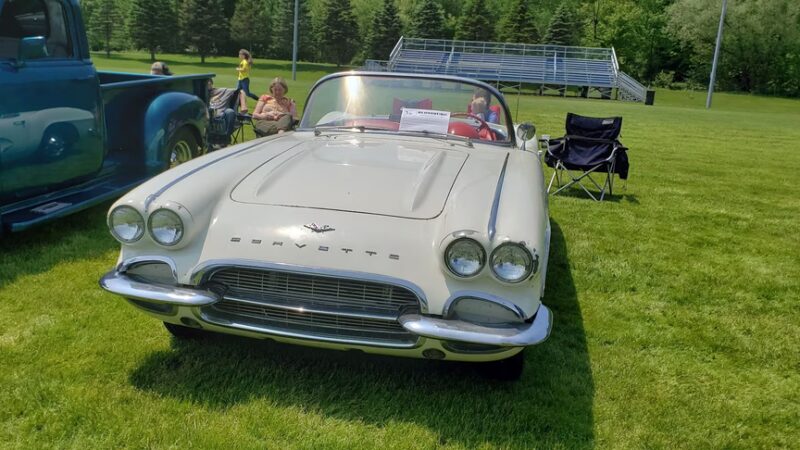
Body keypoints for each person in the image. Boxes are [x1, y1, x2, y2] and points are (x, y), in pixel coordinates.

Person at [207, 79, 238, 147]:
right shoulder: (201, 93)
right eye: (205, 84)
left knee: (230, 112)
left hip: (222, 117)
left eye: (208, 84)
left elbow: (240, 91)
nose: (207, 86)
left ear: (212, 84)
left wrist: (244, 105)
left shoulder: (222, 91)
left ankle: (225, 138)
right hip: (208, 117)